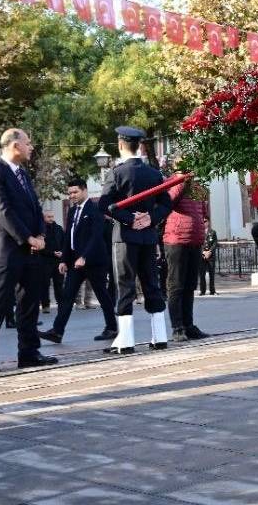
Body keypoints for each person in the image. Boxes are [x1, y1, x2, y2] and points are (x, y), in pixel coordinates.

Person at [0, 128, 56, 373]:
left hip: (30, 250)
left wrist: (40, 235)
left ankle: (29, 352)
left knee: (29, 302)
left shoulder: (23, 174)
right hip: (7, 250)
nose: (31, 147)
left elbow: (36, 208)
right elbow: (2, 210)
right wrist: (27, 237)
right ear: (15, 145)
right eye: (28, 143)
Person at [98, 126, 173, 354]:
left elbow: (104, 204)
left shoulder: (117, 173)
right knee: (151, 284)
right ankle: (159, 337)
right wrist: (149, 218)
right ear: (140, 146)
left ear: (121, 145)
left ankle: (127, 341)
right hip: (148, 237)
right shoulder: (154, 174)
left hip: (124, 238)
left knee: (125, 286)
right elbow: (166, 204)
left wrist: (130, 218)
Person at [39, 177, 118, 344]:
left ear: (84, 190)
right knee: (67, 296)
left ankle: (112, 328)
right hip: (75, 262)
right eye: (69, 193)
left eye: (75, 192)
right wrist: (64, 260)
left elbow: (96, 237)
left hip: (94, 261)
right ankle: (57, 332)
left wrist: (84, 257)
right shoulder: (73, 211)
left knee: (102, 295)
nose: (72, 195)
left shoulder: (95, 209)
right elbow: (69, 237)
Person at [163, 164, 212, 342]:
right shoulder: (170, 184)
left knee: (190, 285)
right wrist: (180, 181)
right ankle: (177, 327)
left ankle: (188, 325)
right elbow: (168, 202)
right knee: (176, 286)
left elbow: (203, 213)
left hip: (195, 241)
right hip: (176, 240)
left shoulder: (197, 187)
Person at [40, 210, 65, 314]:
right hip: (45, 261)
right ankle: (45, 305)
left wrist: (62, 252)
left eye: (52, 216)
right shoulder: (41, 230)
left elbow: (64, 242)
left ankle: (61, 304)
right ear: (44, 218)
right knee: (44, 284)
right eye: (48, 217)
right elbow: (40, 246)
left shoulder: (59, 228)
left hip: (58, 261)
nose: (51, 218)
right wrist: (52, 253)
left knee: (59, 284)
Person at [199, 217, 218, 296]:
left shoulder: (213, 232)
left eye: (205, 221)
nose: (204, 223)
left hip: (210, 256)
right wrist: (203, 252)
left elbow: (215, 243)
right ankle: (202, 291)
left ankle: (212, 290)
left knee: (211, 274)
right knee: (202, 274)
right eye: (203, 221)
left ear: (208, 222)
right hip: (202, 256)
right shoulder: (199, 232)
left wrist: (209, 251)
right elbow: (198, 243)